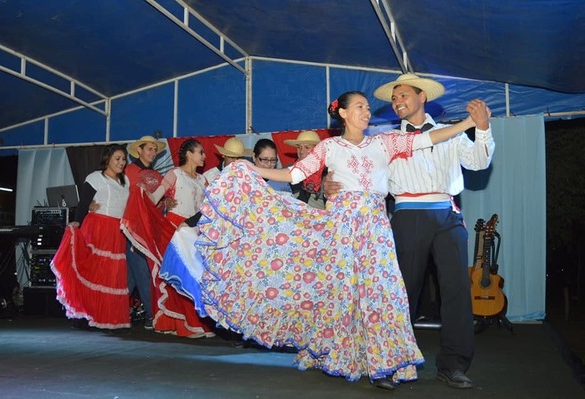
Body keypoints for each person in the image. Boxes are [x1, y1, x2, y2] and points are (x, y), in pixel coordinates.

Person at [193, 91, 478, 389]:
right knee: (343, 294)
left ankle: (383, 364)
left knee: (383, 294)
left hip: (376, 228)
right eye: (359, 107)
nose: (367, 112)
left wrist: (467, 124)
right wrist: (252, 169)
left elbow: (429, 139)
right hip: (341, 227)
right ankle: (345, 354)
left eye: (368, 108)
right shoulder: (329, 147)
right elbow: (293, 174)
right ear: (343, 113)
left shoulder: (384, 142)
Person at [326, 74, 493, 389]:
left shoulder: (452, 133)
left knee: (457, 291)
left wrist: (482, 128)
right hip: (406, 215)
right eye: (393, 98)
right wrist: (327, 182)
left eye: (403, 95)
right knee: (400, 293)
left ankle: (453, 364)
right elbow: (353, 168)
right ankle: (390, 363)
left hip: (447, 213)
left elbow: (478, 163)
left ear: (421, 97)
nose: (397, 101)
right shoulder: (382, 141)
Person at [137, 138, 215, 338]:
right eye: (200, 152)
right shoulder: (175, 174)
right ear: (189, 154)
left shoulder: (202, 179)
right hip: (174, 229)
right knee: (178, 275)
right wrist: (142, 191)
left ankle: (197, 322)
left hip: (193, 231)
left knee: (194, 276)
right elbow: (155, 199)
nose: (204, 156)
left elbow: (206, 208)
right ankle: (182, 324)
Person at [51, 144, 131, 330]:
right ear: (108, 159)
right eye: (117, 158)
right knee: (94, 272)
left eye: (123, 159)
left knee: (111, 275)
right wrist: (77, 221)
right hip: (97, 228)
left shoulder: (125, 181)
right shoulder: (96, 177)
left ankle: (107, 317)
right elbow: (84, 203)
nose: (121, 162)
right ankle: (84, 315)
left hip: (116, 231)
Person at [122, 135, 167, 330]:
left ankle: (117, 312)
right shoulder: (128, 171)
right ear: (139, 150)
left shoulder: (157, 175)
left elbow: (158, 203)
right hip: (134, 229)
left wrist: (166, 203)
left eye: (154, 149)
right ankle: (151, 314)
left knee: (132, 277)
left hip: (151, 229)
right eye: (149, 148)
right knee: (142, 272)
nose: (152, 152)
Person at [284, 130, 326, 209]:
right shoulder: (288, 171)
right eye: (299, 147)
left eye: (307, 147)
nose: (302, 151)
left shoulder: (327, 173)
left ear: (317, 150)